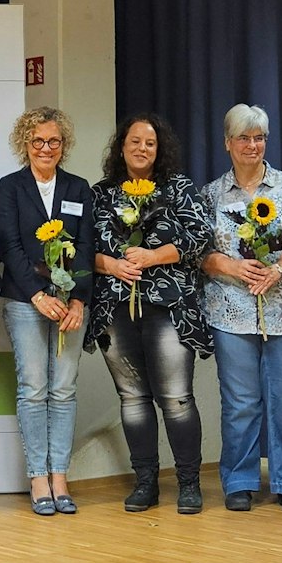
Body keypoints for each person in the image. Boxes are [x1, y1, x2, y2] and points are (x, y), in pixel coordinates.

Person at [201, 104, 282, 512]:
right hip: (231, 310)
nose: (252, 145)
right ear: (227, 144)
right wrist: (234, 266)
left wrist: (279, 268)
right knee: (240, 401)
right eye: (243, 138)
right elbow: (198, 253)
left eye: (259, 138)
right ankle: (239, 480)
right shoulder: (210, 195)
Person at [88, 114, 213, 512]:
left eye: (150, 143)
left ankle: (189, 484)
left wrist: (153, 256)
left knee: (175, 399)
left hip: (168, 307)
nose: (142, 148)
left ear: (160, 151)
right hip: (115, 308)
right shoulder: (101, 193)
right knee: (133, 400)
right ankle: (145, 482)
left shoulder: (179, 189)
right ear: (121, 146)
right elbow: (78, 245)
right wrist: (111, 265)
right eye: (135, 141)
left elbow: (200, 236)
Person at [0, 107, 93, 516]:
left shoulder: (79, 187)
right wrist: (37, 295)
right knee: (33, 390)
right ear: (25, 144)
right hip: (24, 300)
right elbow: (8, 245)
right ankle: (38, 476)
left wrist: (77, 299)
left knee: (64, 390)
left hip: (70, 304)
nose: (46, 148)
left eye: (54, 141)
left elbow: (86, 246)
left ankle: (60, 477)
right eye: (38, 141)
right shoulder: (11, 187)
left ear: (63, 145)